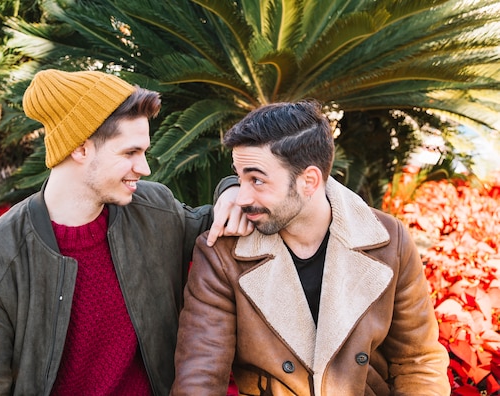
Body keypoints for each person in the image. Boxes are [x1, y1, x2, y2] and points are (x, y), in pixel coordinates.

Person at [0, 69, 251, 396]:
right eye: (130, 153)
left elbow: (218, 222)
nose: (145, 167)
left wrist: (235, 189)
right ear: (80, 149)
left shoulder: (156, 210)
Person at [171, 100, 451, 396]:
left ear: (309, 181)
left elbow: (418, 361)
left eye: (257, 180)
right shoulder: (222, 253)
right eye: (240, 178)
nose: (241, 197)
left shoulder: (388, 240)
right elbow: (200, 376)